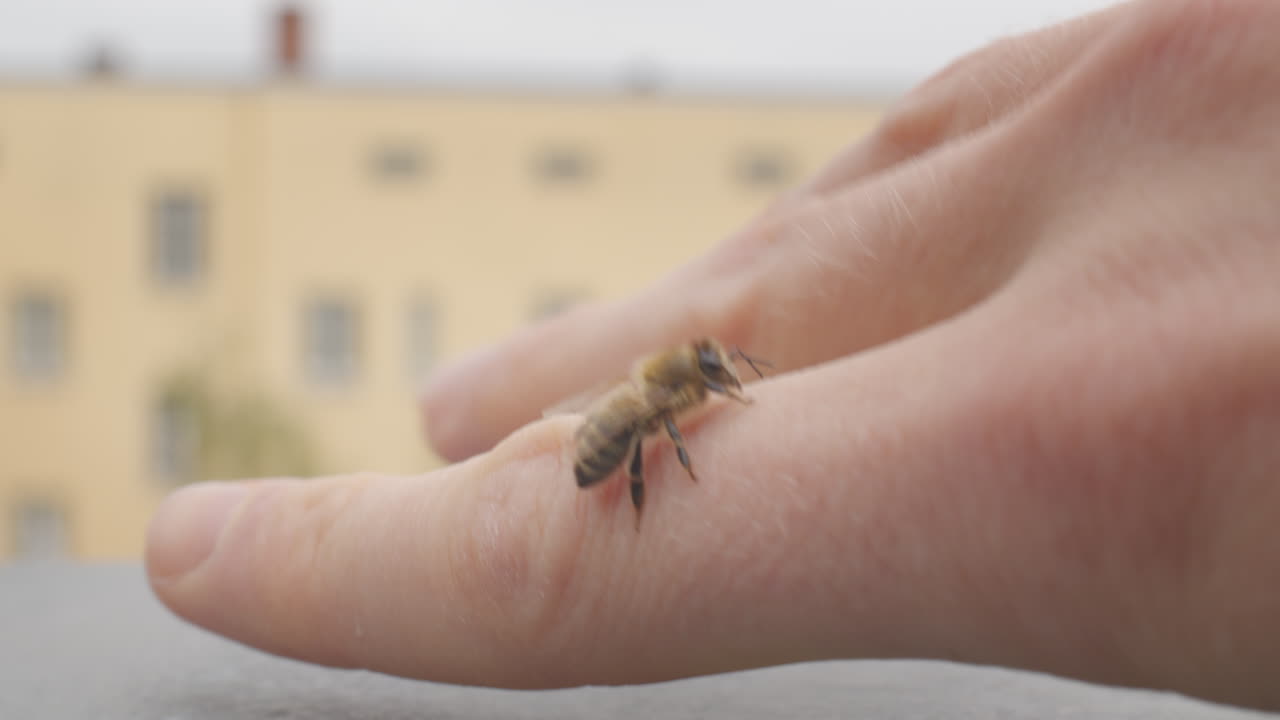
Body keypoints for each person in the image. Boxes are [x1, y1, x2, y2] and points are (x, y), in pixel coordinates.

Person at [145, 0, 1280, 710]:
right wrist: (618, 505)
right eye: (716, 383)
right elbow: (643, 438)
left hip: (607, 431)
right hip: (605, 454)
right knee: (596, 491)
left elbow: (668, 398)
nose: (723, 388)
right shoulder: (664, 411)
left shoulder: (669, 381)